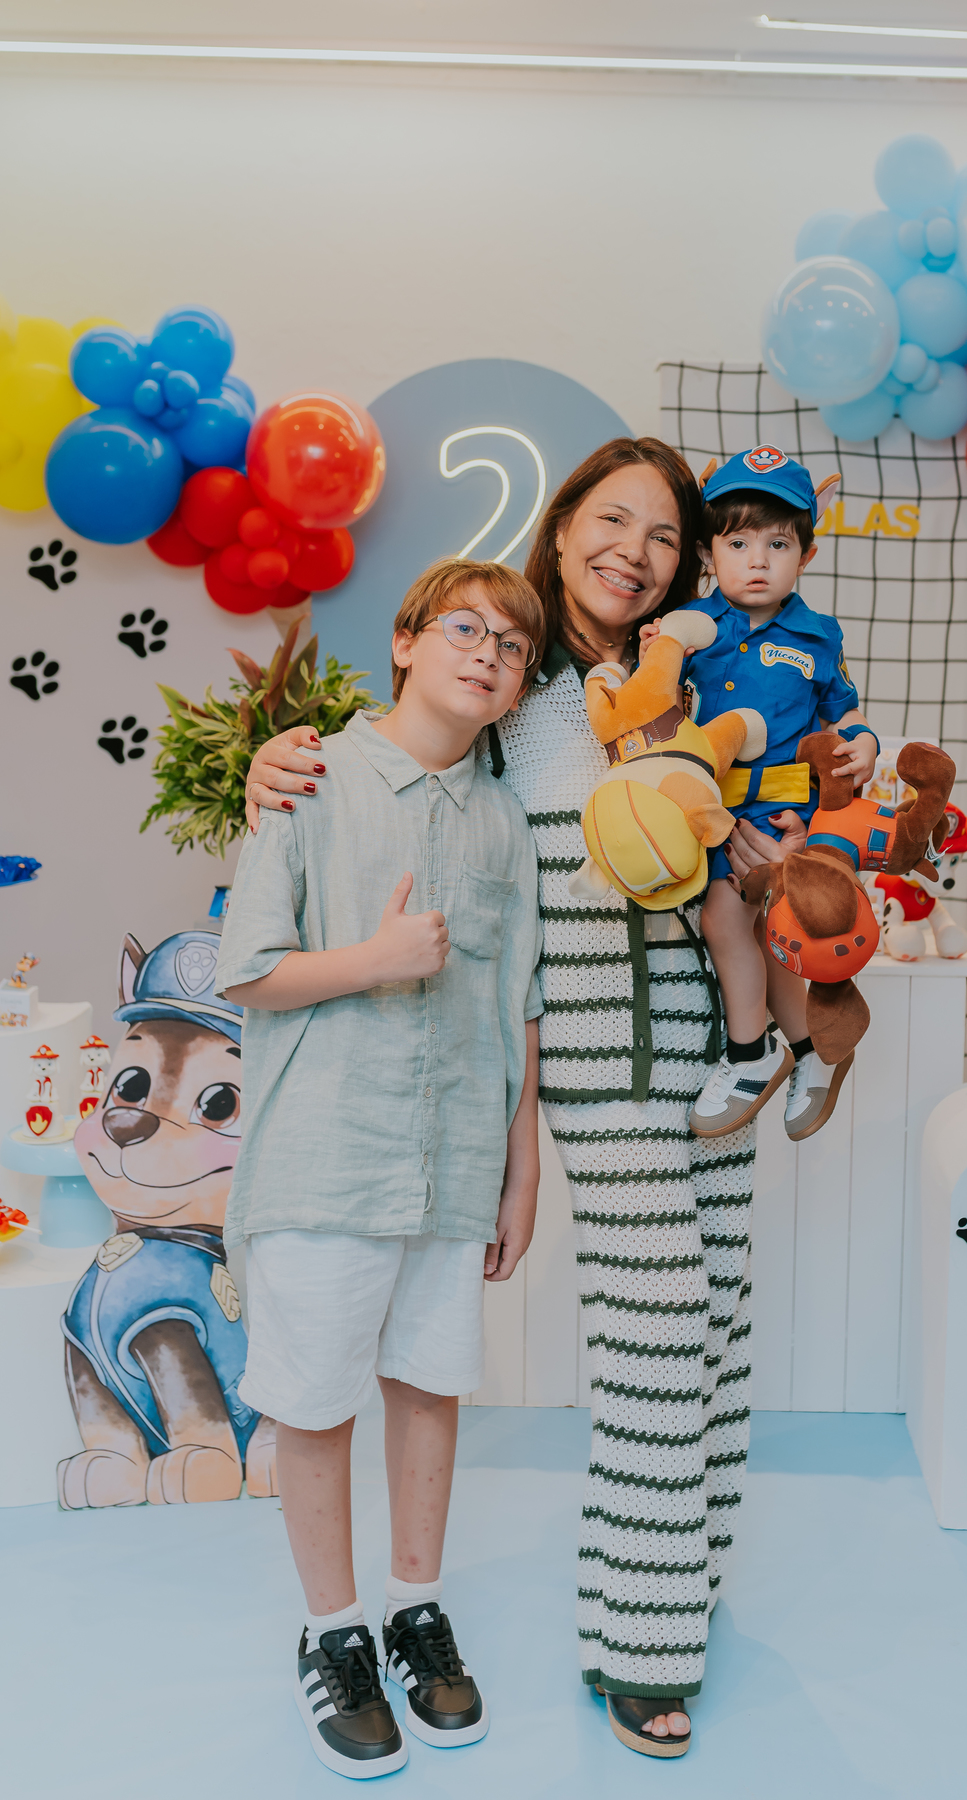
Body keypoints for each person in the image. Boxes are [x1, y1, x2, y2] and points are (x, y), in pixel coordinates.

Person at [244, 438, 810, 1760]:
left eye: (665, 534)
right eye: (611, 521)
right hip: (601, 1059)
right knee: (656, 1336)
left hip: (712, 1046)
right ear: (560, 533)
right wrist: (285, 760)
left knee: (718, 1324)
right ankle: (641, 1650)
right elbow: (398, 749)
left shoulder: (687, 670)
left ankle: (684, 1588)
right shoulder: (513, 682)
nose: (637, 550)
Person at [216, 558, 545, 1780]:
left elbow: (518, 1009)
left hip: (457, 1156)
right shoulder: (312, 780)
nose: (487, 656)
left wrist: (520, 1174)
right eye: (465, 629)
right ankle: (333, 1632)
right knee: (314, 1398)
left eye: (512, 648)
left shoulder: (508, 823)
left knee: (430, 1383)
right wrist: (375, 957)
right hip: (328, 1153)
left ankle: (416, 1606)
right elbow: (248, 967)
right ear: (405, 642)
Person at [670, 446, 879, 1143]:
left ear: (806, 556)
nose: (757, 560)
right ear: (709, 552)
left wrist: (866, 743)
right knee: (733, 925)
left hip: (785, 813)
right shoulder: (692, 629)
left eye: (778, 543)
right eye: (737, 542)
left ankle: (770, 1050)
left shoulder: (818, 637)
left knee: (761, 928)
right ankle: (791, 1050)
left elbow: (843, 713)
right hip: (709, 810)